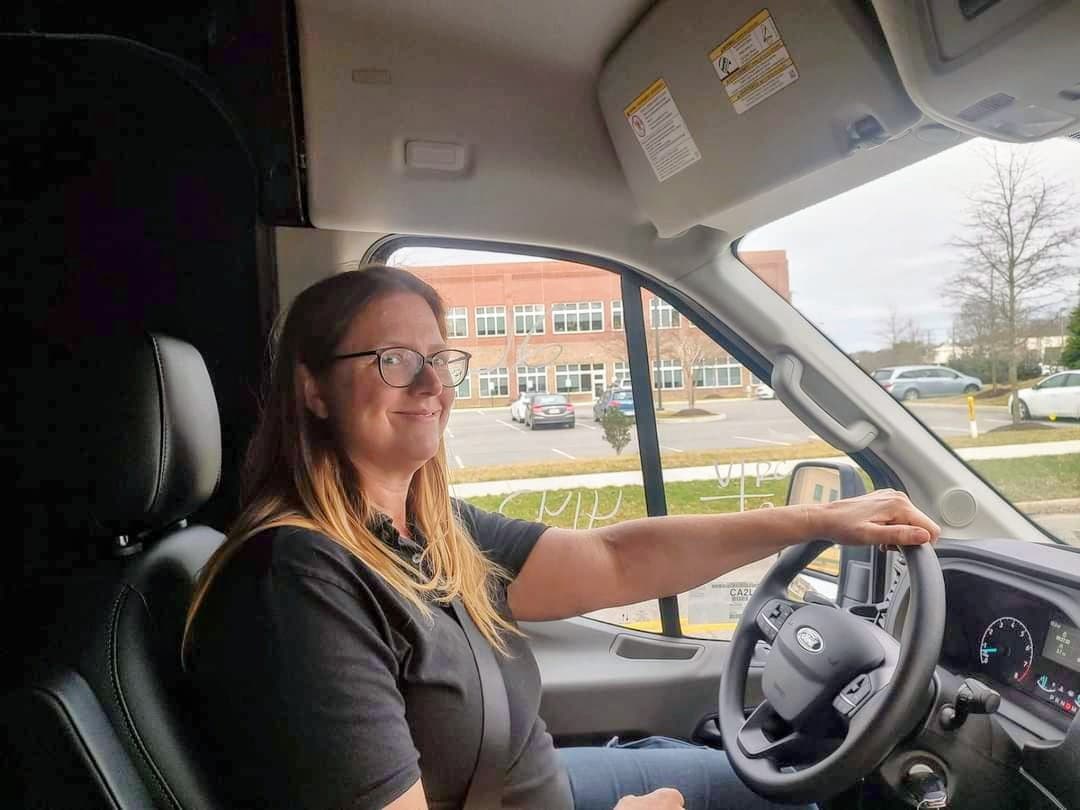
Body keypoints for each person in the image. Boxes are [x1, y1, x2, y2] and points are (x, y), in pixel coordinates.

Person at [182, 266, 940, 810]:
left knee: (757, 781)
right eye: (393, 360)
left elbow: (612, 560)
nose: (431, 386)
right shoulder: (301, 577)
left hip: (537, 785)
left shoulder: (425, 531)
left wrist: (814, 522)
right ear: (312, 389)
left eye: (441, 359)